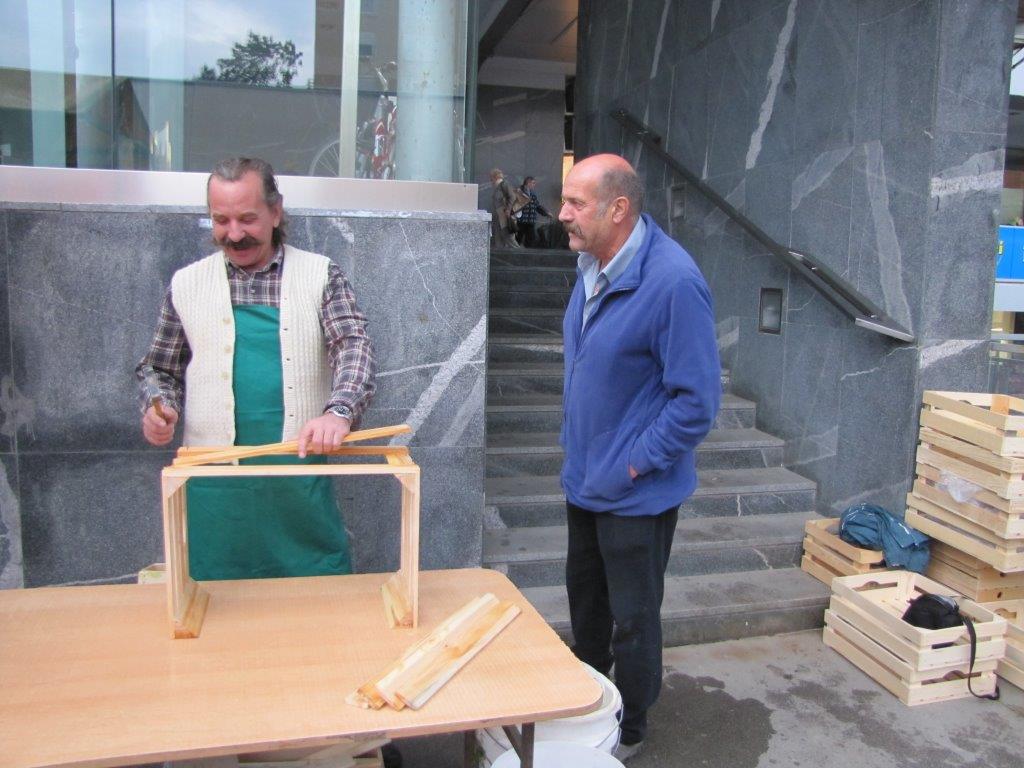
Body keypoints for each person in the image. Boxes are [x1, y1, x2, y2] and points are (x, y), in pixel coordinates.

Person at [136, 156, 376, 582]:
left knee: (315, 597)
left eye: (247, 219)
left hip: (297, 482)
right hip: (214, 488)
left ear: (275, 212)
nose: (234, 234)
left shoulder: (320, 275)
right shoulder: (186, 284)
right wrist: (159, 405)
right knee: (216, 598)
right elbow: (160, 368)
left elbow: (352, 345)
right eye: (221, 220)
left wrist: (339, 411)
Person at [558, 154, 721, 762]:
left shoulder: (673, 282)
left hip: (635, 491)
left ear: (618, 209)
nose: (562, 214)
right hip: (585, 480)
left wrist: (632, 462)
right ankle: (590, 703)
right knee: (588, 608)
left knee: (633, 618)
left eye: (576, 203)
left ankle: (630, 725)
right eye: (565, 201)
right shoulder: (591, 266)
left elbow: (696, 402)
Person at [515, 176, 552, 248]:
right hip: (521, 221)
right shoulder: (519, 192)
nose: (534, 185)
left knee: (530, 239)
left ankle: (528, 253)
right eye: (533, 183)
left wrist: (546, 213)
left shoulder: (532, 194)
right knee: (518, 238)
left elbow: (537, 206)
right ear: (528, 183)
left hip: (530, 221)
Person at [489, 168, 520, 248]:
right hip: (498, 216)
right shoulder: (497, 186)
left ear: (495, 177)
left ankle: (518, 253)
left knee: (508, 237)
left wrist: (508, 210)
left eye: (491, 177)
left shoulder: (504, 185)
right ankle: (501, 253)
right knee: (499, 237)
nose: (490, 180)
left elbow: (512, 196)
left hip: (504, 215)